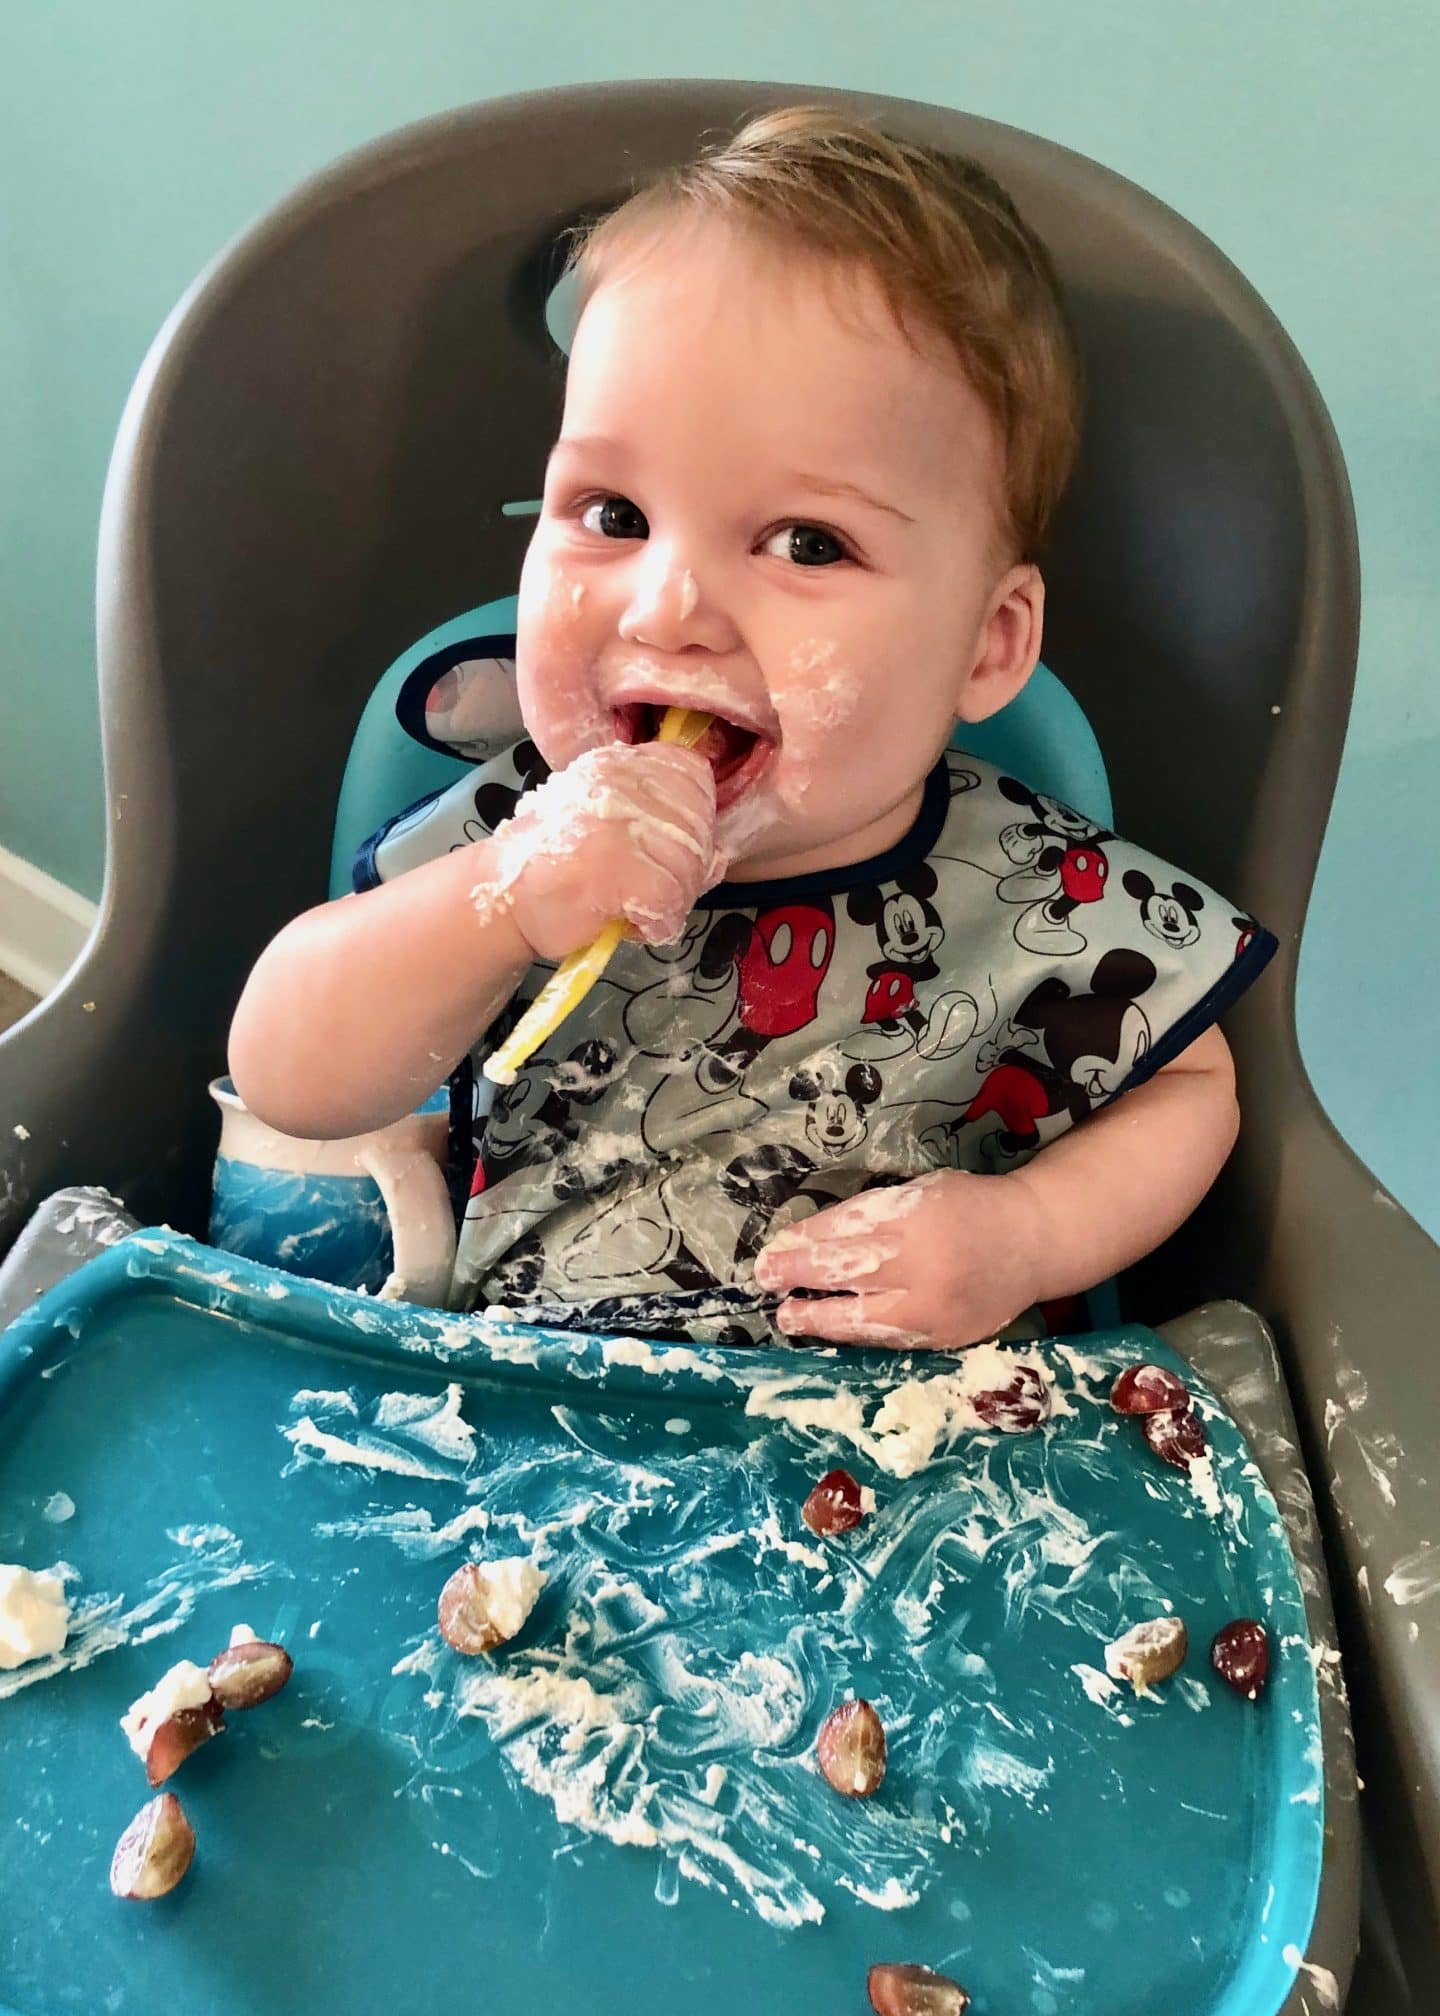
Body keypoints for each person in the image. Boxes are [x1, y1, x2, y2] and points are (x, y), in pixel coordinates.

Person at [228, 106, 1274, 1351]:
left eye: (806, 543)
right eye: (612, 513)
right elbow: (291, 1071)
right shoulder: (517, 833)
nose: (669, 606)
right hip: (525, 1416)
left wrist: (1026, 1236)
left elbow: (1194, 1089)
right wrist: (503, 900)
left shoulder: (1041, 890)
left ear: (989, 643)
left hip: (893, 1451)